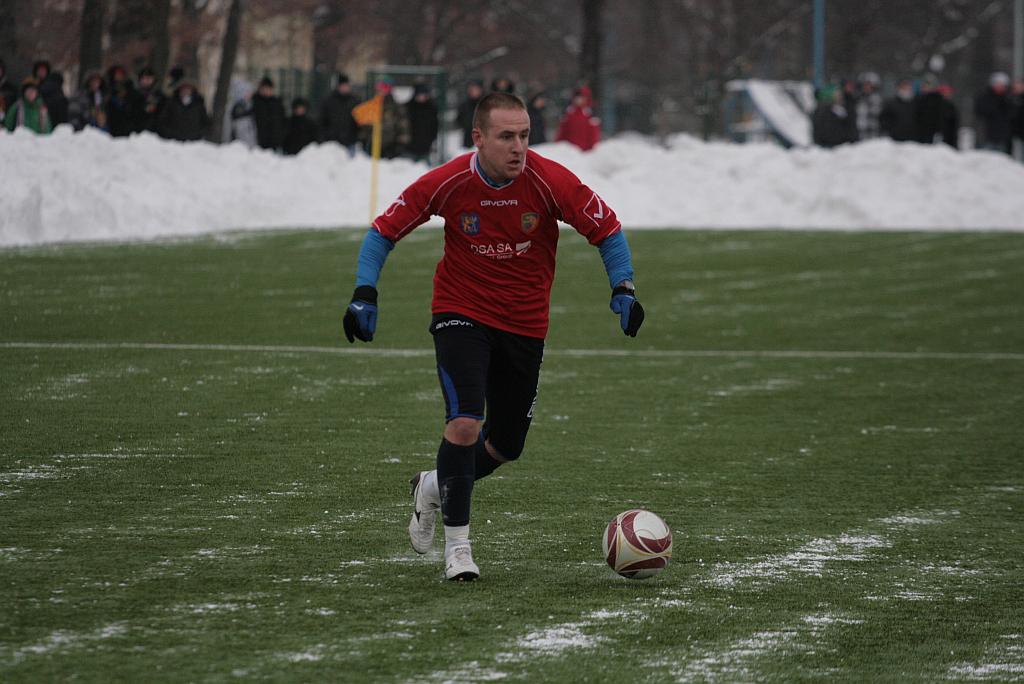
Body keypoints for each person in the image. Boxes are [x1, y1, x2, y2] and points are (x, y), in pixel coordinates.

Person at [341, 92, 645, 581]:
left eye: (524, 135)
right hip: (461, 312)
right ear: (478, 138)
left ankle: (433, 486)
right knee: (464, 422)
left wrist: (624, 288)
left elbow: (607, 229)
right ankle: (458, 549)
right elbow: (384, 231)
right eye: (507, 136)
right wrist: (364, 292)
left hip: (525, 326)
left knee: (506, 446)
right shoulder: (450, 181)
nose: (518, 147)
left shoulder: (550, 181)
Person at [319, 72, 360, 155]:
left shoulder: (355, 101)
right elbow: (322, 120)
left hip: (350, 142)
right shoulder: (329, 101)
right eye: (342, 85)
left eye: (346, 85)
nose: (345, 88)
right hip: (332, 143)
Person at [974, 72, 1014, 154]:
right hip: (987, 136)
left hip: (1004, 138)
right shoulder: (985, 97)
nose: (1000, 87)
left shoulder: (1008, 99)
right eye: (998, 84)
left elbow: (1012, 115)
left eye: (1003, 85)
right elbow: (980, 112)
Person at [556, 85, 601, 151]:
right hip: (569, 151)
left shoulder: (590, 115)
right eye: (577, 98)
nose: (578, 100)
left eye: (581, 98)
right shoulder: (568, 113)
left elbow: (594, 136)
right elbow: (562, 132)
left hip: (585, 152)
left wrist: (591, 150)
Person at [406, 83, 439, 162]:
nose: (421, 97)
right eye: (419, 95)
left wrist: (432, 139)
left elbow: (435, 125)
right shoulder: (408, 107)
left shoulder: (431, 108)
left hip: (426, 146)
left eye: (423, 95)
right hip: (409, 147)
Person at [252, 76, 286, 152]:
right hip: (258, 141)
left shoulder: (277, 103)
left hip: (275, 142)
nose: (266, 91)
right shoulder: (255, 102)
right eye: (264, 88)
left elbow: (282, 121)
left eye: (268, 88)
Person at [105, 65, 136, 137]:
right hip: (111, 124)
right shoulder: (107, 88)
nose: (119, 76)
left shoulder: (130, 88)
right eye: (117, 74)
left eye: (121, 74)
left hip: (126, 125)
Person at [913, 74, 945, 144]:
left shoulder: (938, 100)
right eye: (924, 85)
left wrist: (939, 131)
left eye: (929, 85)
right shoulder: (917, 99)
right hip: (919, 132)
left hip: (932, 132)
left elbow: (940, 117)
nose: (926, 87)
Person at [133, 67, 166, 133]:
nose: (146, 81)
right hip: (135, 130)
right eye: (144, 78)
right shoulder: (133, 94)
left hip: (154, 131)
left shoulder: (160, 96)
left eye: (149, 78)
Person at [228, 78, 257, 147]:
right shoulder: (239, 108)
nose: (250, 94)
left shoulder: (248, 106)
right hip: (242, 144)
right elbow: (242, 130)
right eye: (247, 92)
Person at [456, 80, 483, 149]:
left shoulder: (485, 104)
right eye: (472, 89)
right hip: (468, 138)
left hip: (483, 136)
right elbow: (459, 119)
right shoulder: (464, 104)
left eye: (476, 89)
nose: (474, 92)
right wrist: (466, 125)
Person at [855, 72, 883, 140]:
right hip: (859, 136)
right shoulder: (857, 99)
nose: (866, 87)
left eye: (869, 85)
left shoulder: (879, 100)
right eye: (864, 85)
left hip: (875, 135)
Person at [938, 84, 960, 149]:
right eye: (945, 92)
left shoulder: (952, 106)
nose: (947, 94)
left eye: (948, 92)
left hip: (950, 137)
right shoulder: (938, 106)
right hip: (941, 137)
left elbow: (955, 124)